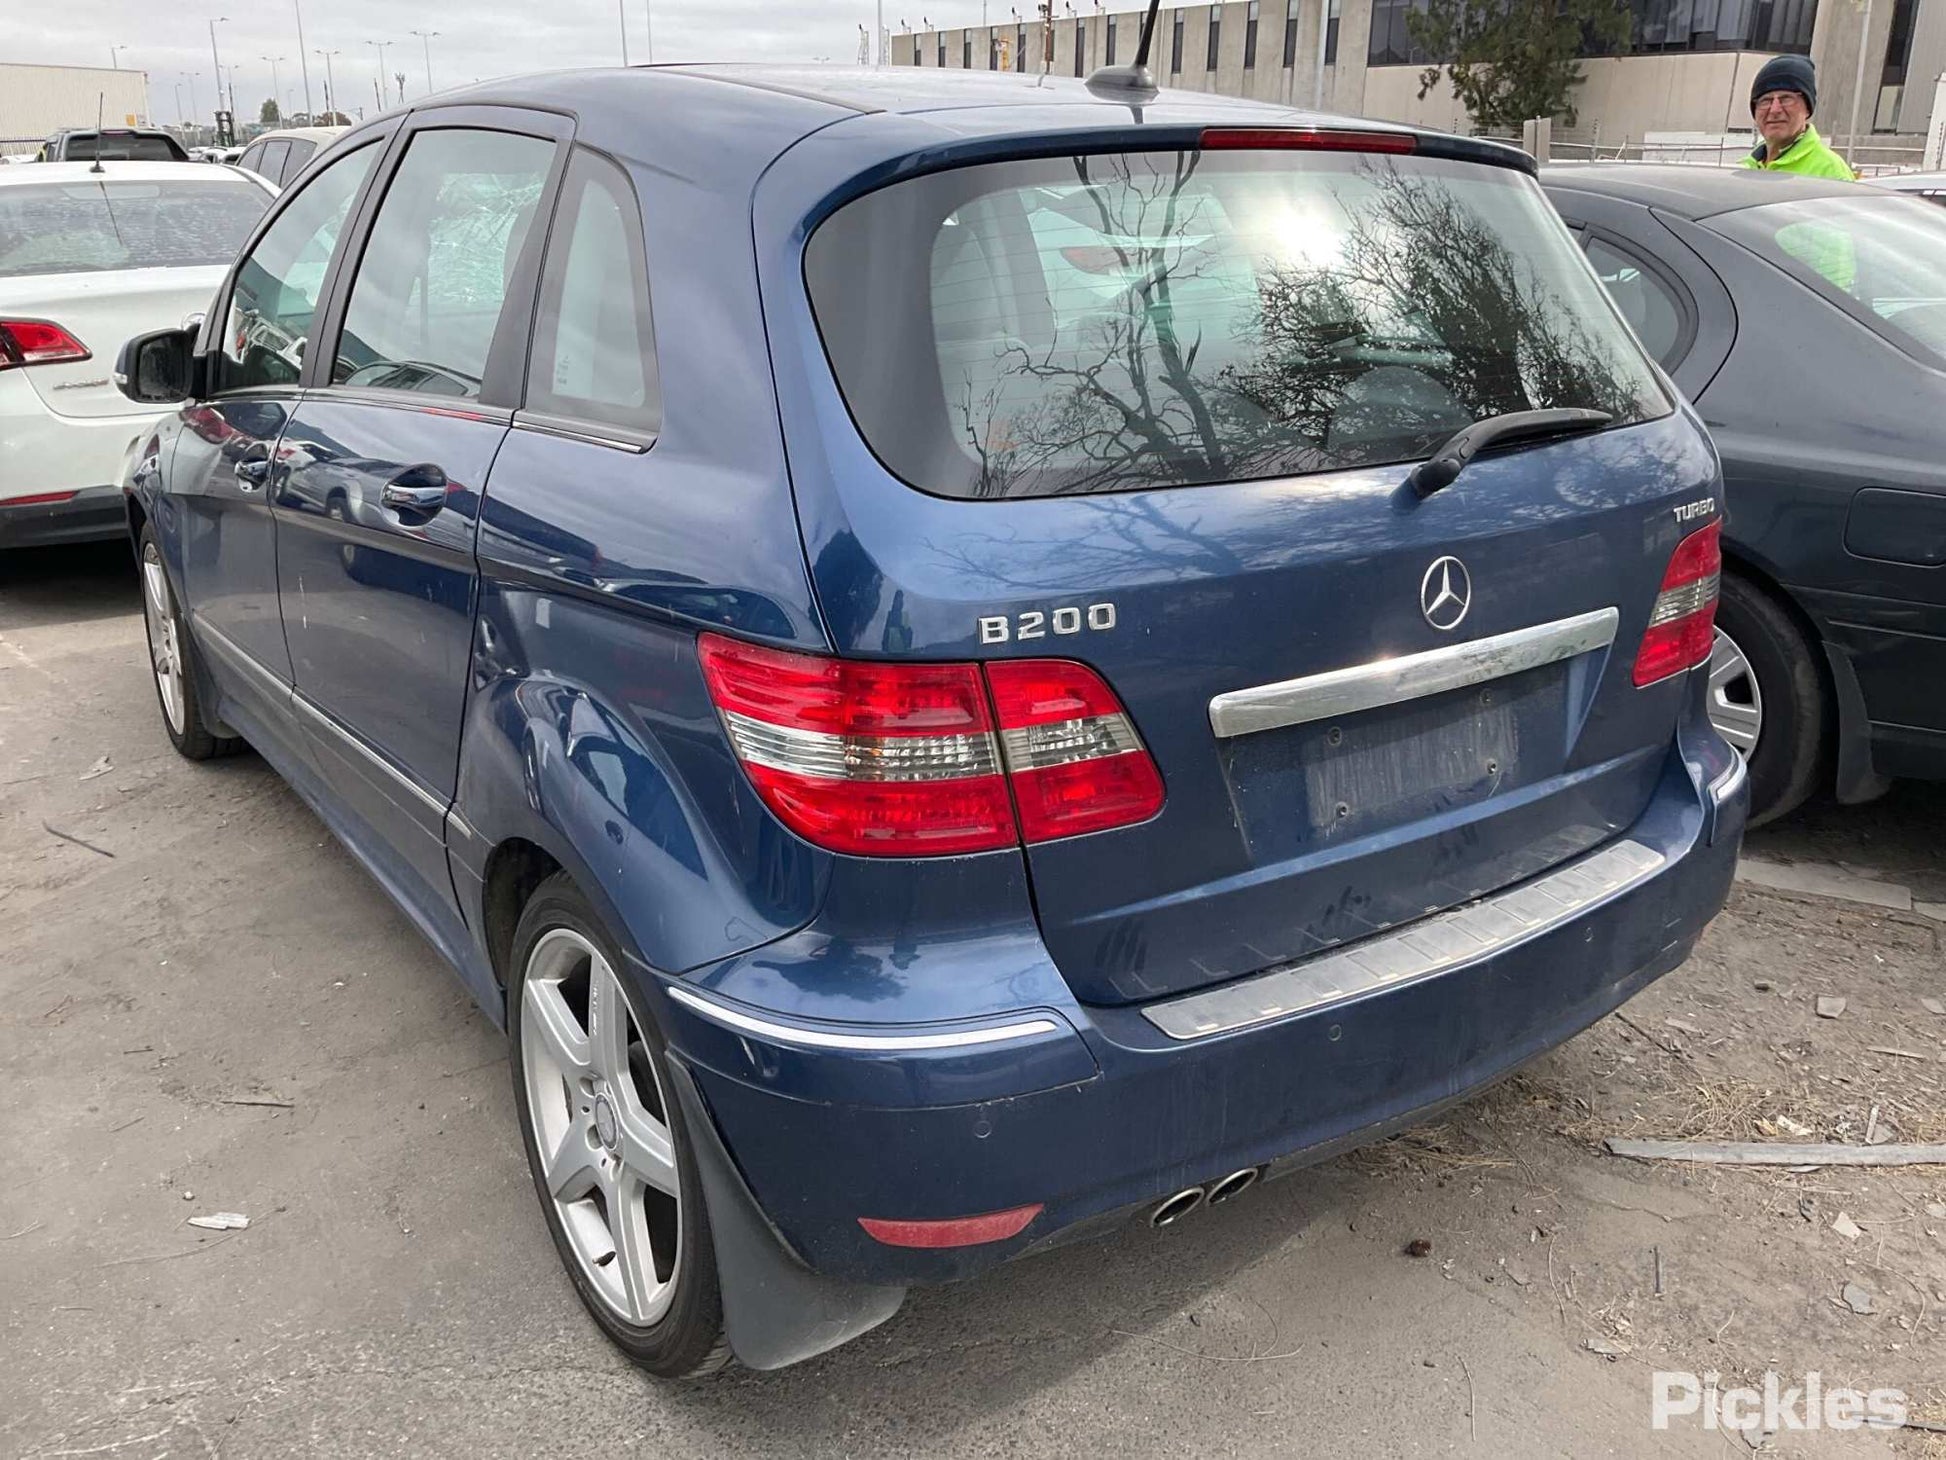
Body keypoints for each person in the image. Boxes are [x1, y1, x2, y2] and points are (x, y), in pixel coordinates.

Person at [1741, 55, 1855, 179]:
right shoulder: (1745, 168)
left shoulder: (1830, 172)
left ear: (1807, 109)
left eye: (1786, 99)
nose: (1774, 110)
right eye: (1766, 100)